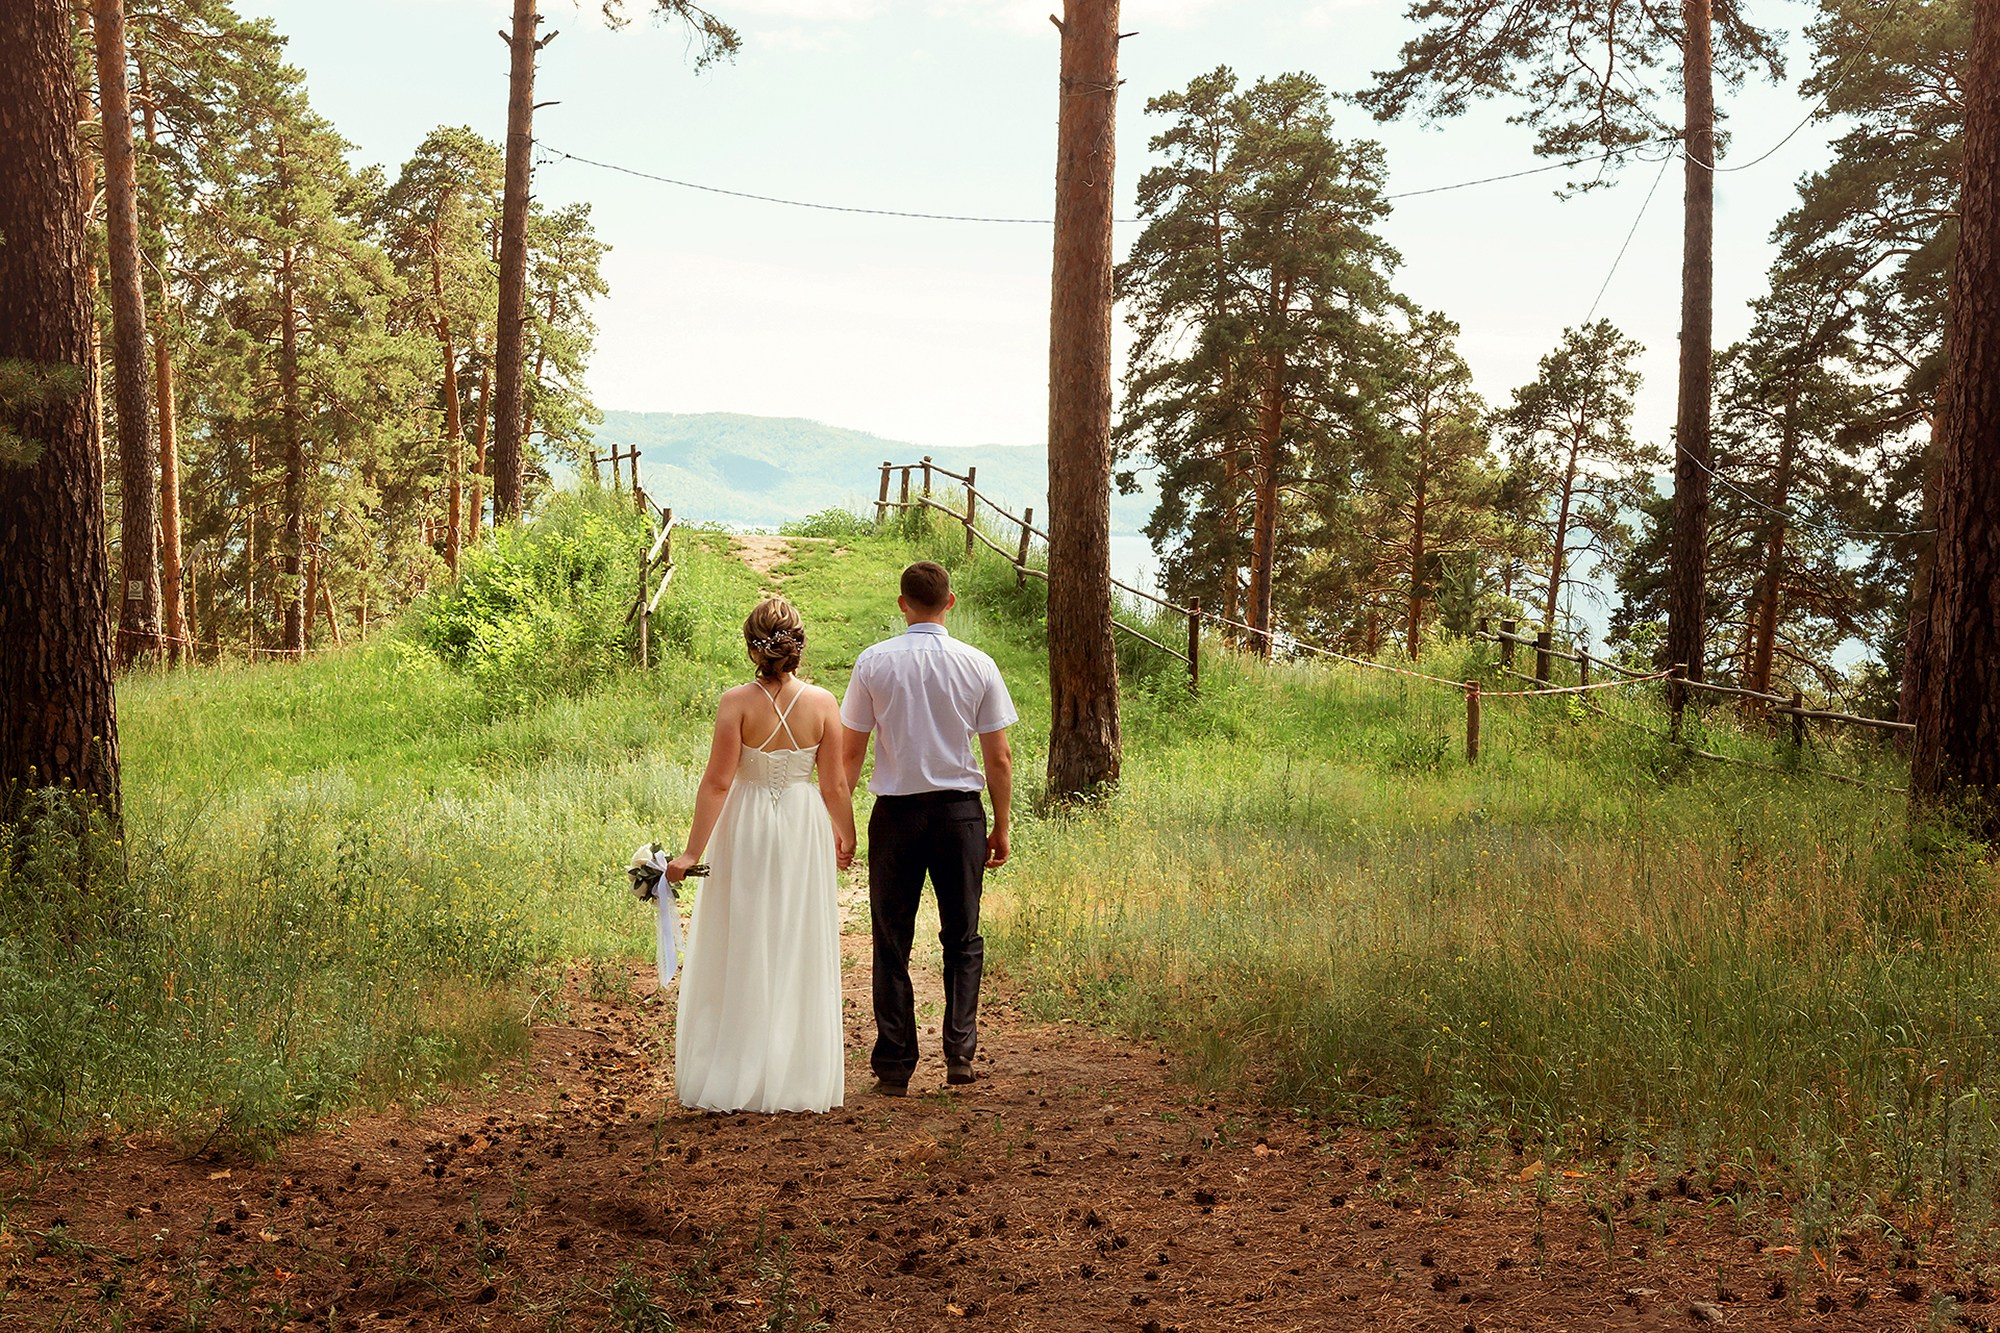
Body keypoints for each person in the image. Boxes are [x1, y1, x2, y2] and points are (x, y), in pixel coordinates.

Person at [666, 598, 856, 1114]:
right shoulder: (823, 703)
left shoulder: (735, 703)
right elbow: (835, 784)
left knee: (742, 934)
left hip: (745, 825)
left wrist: (690, 852)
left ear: (752, 646)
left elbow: (718, 782)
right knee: (796, 935)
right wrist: (847, 834)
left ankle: (735, 1068)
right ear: (797, 645)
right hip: (802, 823)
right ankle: (794, 1073)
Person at [841, 561, 1016, 1096]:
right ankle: (960, 1051)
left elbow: (851, 754)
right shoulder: (978, 664)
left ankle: (895, 1063)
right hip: (959, 814)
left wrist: (841, 825)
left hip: (894, 816)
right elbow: (999, 758)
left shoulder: (874, 663)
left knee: (891, 939)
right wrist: (1001, 826)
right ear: (950, 602)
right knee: (962, 936)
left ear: (902, 603)